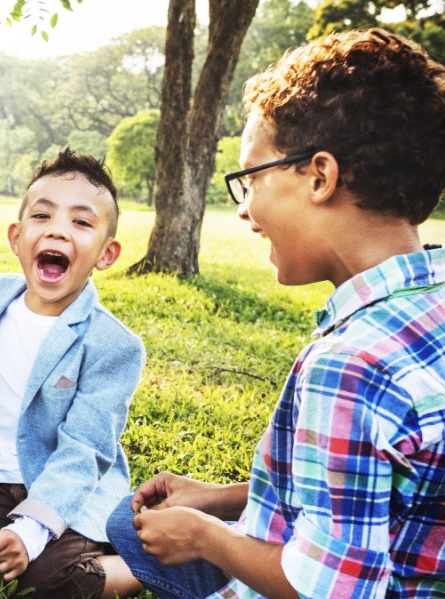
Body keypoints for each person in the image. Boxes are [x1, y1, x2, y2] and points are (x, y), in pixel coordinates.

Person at [105, 28, 445, 599]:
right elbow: (382, 484)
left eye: (250, 179)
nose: (245, 210)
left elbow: (327, 589)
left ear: (320, 176)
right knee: (126, 521)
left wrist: (206, 537)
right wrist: (225, 496)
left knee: (140, 528)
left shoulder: (351, 365)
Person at [0, 148, 145, 599]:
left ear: (106, 253)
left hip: (70, 484)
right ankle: (33, 545)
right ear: (17, 237)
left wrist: (32, 531)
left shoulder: (114, 345)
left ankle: (138, 564)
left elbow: (84, 450)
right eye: (43, 216)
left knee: (46, 579)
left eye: (81, 222)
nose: (58, 229)